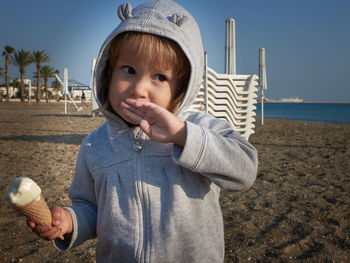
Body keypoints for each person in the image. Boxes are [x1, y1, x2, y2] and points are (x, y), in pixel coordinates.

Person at [27, 0, 258, 262]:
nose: (139, 89)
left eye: (159, 77)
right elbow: (92, 209)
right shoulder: (95, 145)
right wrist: (69, 220)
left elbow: (246, 168)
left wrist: (183, 135)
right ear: (108, 74)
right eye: (129, 70)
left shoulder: (199, 127)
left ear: (181, 88)